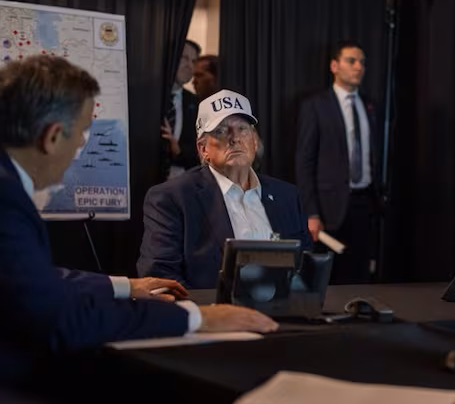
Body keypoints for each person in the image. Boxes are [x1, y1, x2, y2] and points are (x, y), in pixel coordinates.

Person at [0, 56, 277, 386]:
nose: (82, 147)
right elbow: (62, 319)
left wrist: (124, 285)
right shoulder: (8, 202)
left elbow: (32, 280)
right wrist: (197, 317)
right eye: (84, 132)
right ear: (53, 136)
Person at [139, 89, 312, 289]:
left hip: (285, 313)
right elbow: (159, 276)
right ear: (203, 149)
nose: (234, 138)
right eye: (220, 131)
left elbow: (307, 266)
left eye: (242, 129)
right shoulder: (172, 199)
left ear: (254, 142)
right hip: (214, 316)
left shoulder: (287, 196)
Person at [296, 40, 379, 284]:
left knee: (359, 273)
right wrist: (311, 212)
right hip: (328, 207)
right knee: (328, 276)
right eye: (351, 61)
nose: (358, 67)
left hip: (364, 202)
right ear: (334, 65)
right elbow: (304, 162)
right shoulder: (315, 106)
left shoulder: (369, 104)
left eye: (362, 62)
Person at [161, 40, 202, 180]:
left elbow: (201, 153)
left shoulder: (197, 103)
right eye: (184, 58)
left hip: (180, 187)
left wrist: (178, 150)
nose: (189, 66)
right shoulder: (151, 97)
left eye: (193, 61)